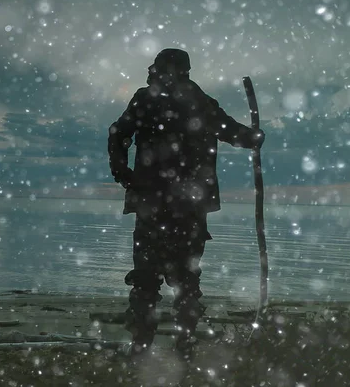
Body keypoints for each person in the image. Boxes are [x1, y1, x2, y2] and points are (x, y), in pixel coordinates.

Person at [107, 48, 265, 361]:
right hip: (179, 207)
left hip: (167, 205)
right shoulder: (188, 101)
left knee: (162, 279)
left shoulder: (179, 101)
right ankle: (170, 344)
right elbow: (118, 134)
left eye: (160, 69)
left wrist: (252, 137)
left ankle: (159, 345)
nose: (155, 74)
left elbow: (118, 135)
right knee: (171, 279)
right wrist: (123, 172)